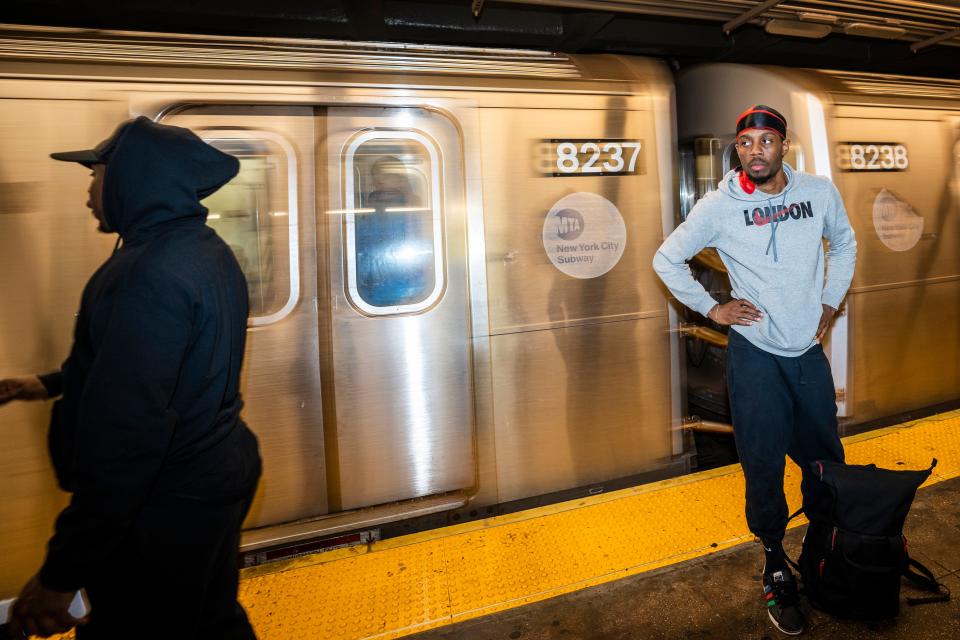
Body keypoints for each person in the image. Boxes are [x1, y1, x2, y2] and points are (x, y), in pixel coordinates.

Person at [1, 116, 261, 639]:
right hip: (212, 478)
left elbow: (127, 436)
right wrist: (52, 383)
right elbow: (168, 367)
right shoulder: (204, 250)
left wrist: (62, 571)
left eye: (94, 176)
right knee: (206, 621)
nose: (89, 191)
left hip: (164, 502)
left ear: (132, 179)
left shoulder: (146, 273)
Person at [653, 105, 857, 635]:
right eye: (745, 143)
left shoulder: (817, 192)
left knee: (824, 456)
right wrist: (713, 309)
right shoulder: (718, 207)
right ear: (737, 150)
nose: (755, 151)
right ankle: (774, 561)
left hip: (806, 351)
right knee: (762, 461)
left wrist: (831, 301)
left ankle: (822, 545)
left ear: (783, 146)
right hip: (754, 353)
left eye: (766, 141)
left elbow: (847, 242)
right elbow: (666, 259)